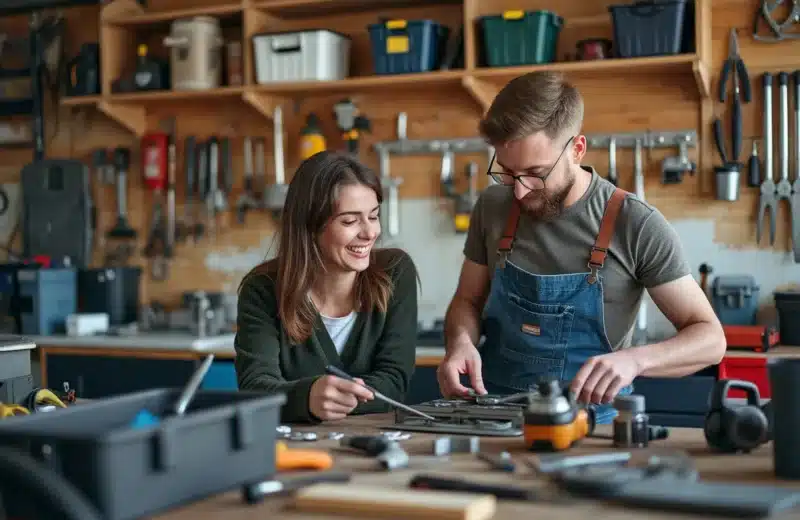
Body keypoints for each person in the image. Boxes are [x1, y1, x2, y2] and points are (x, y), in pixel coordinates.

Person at [438, 71, 726, 424]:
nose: (520, 191)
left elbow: (711, 339)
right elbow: (467, 300)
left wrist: (635, 360)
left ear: (577, 149)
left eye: (536, 173)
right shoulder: (493, 206)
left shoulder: (635, 224)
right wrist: (461, 343)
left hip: (591, 427)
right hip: (495, 414)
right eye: (508, 172)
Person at [234, 150, 419, 424]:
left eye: (373, 216)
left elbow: (393, 381)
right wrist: (307, 398)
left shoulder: (396, 273)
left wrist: (327, 399)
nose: (369, 233)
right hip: (295, 451)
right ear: (310, 226)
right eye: (349, 221)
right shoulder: (262, 290)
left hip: (373, 444)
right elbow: (256, 387)